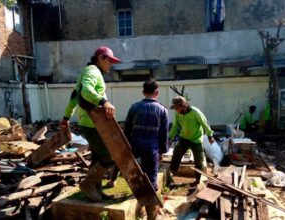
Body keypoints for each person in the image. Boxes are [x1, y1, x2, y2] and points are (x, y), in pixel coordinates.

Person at [60, 46, 120, 202]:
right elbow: (86, 91)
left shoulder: (88, 71)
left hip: (89, 122)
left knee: (97, 158)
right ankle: (88, 184)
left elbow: (74, 97)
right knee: (109, 157)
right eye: (110, 61)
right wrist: (104, 102)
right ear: (100, 58)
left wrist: (66, 117)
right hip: (93, 123)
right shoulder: (93, 71)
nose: (111, 65)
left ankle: (97, 190)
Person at [124, 79, 169, 220]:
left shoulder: (134, 107)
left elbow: (126, 131)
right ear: (157, 92)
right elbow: (164, 134)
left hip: (135, 149)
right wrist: (162, 152)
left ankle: (141, 208)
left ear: (143, 92)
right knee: (151, 182)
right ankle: (152, 216)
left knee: (135, 178)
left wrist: (127, 149)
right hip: (151, 151)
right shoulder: (162, 110)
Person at [169, 96, 215, 185]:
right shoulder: (177, 113)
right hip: (184, 138)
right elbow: (175, 126)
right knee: (176, 154)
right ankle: (172, 174)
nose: (175, 110)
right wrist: (170, 136)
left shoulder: (195, 112)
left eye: (176, 108)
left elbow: (204, 123)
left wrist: (210, 135)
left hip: (196, 139)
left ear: (183, 106)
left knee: (199, 160)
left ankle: (198, 180)